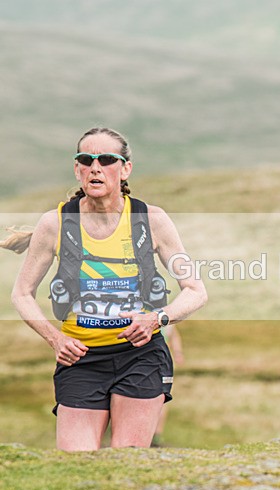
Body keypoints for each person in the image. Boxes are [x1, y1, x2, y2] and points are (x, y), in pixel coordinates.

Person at [6, 127, 207, 451]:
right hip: (81, 358)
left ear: (125, 169)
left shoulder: (152, 220)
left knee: (128, 459)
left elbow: (196, 290)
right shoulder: (55, 223)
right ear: (77, 169)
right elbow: (21, 294)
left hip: (141, 355)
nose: (95, 167)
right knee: (76, 462)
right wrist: (55, 339)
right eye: (86, 160)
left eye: (106, 160)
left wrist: (156, 319)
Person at [151, 324, 185, 447]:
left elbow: (174, 336)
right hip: (150, 361)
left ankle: (156, 434)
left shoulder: (165, 320)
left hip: (162, 362)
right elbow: (175, 336)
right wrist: (178, 353)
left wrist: (178, 353)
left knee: (162, 399)